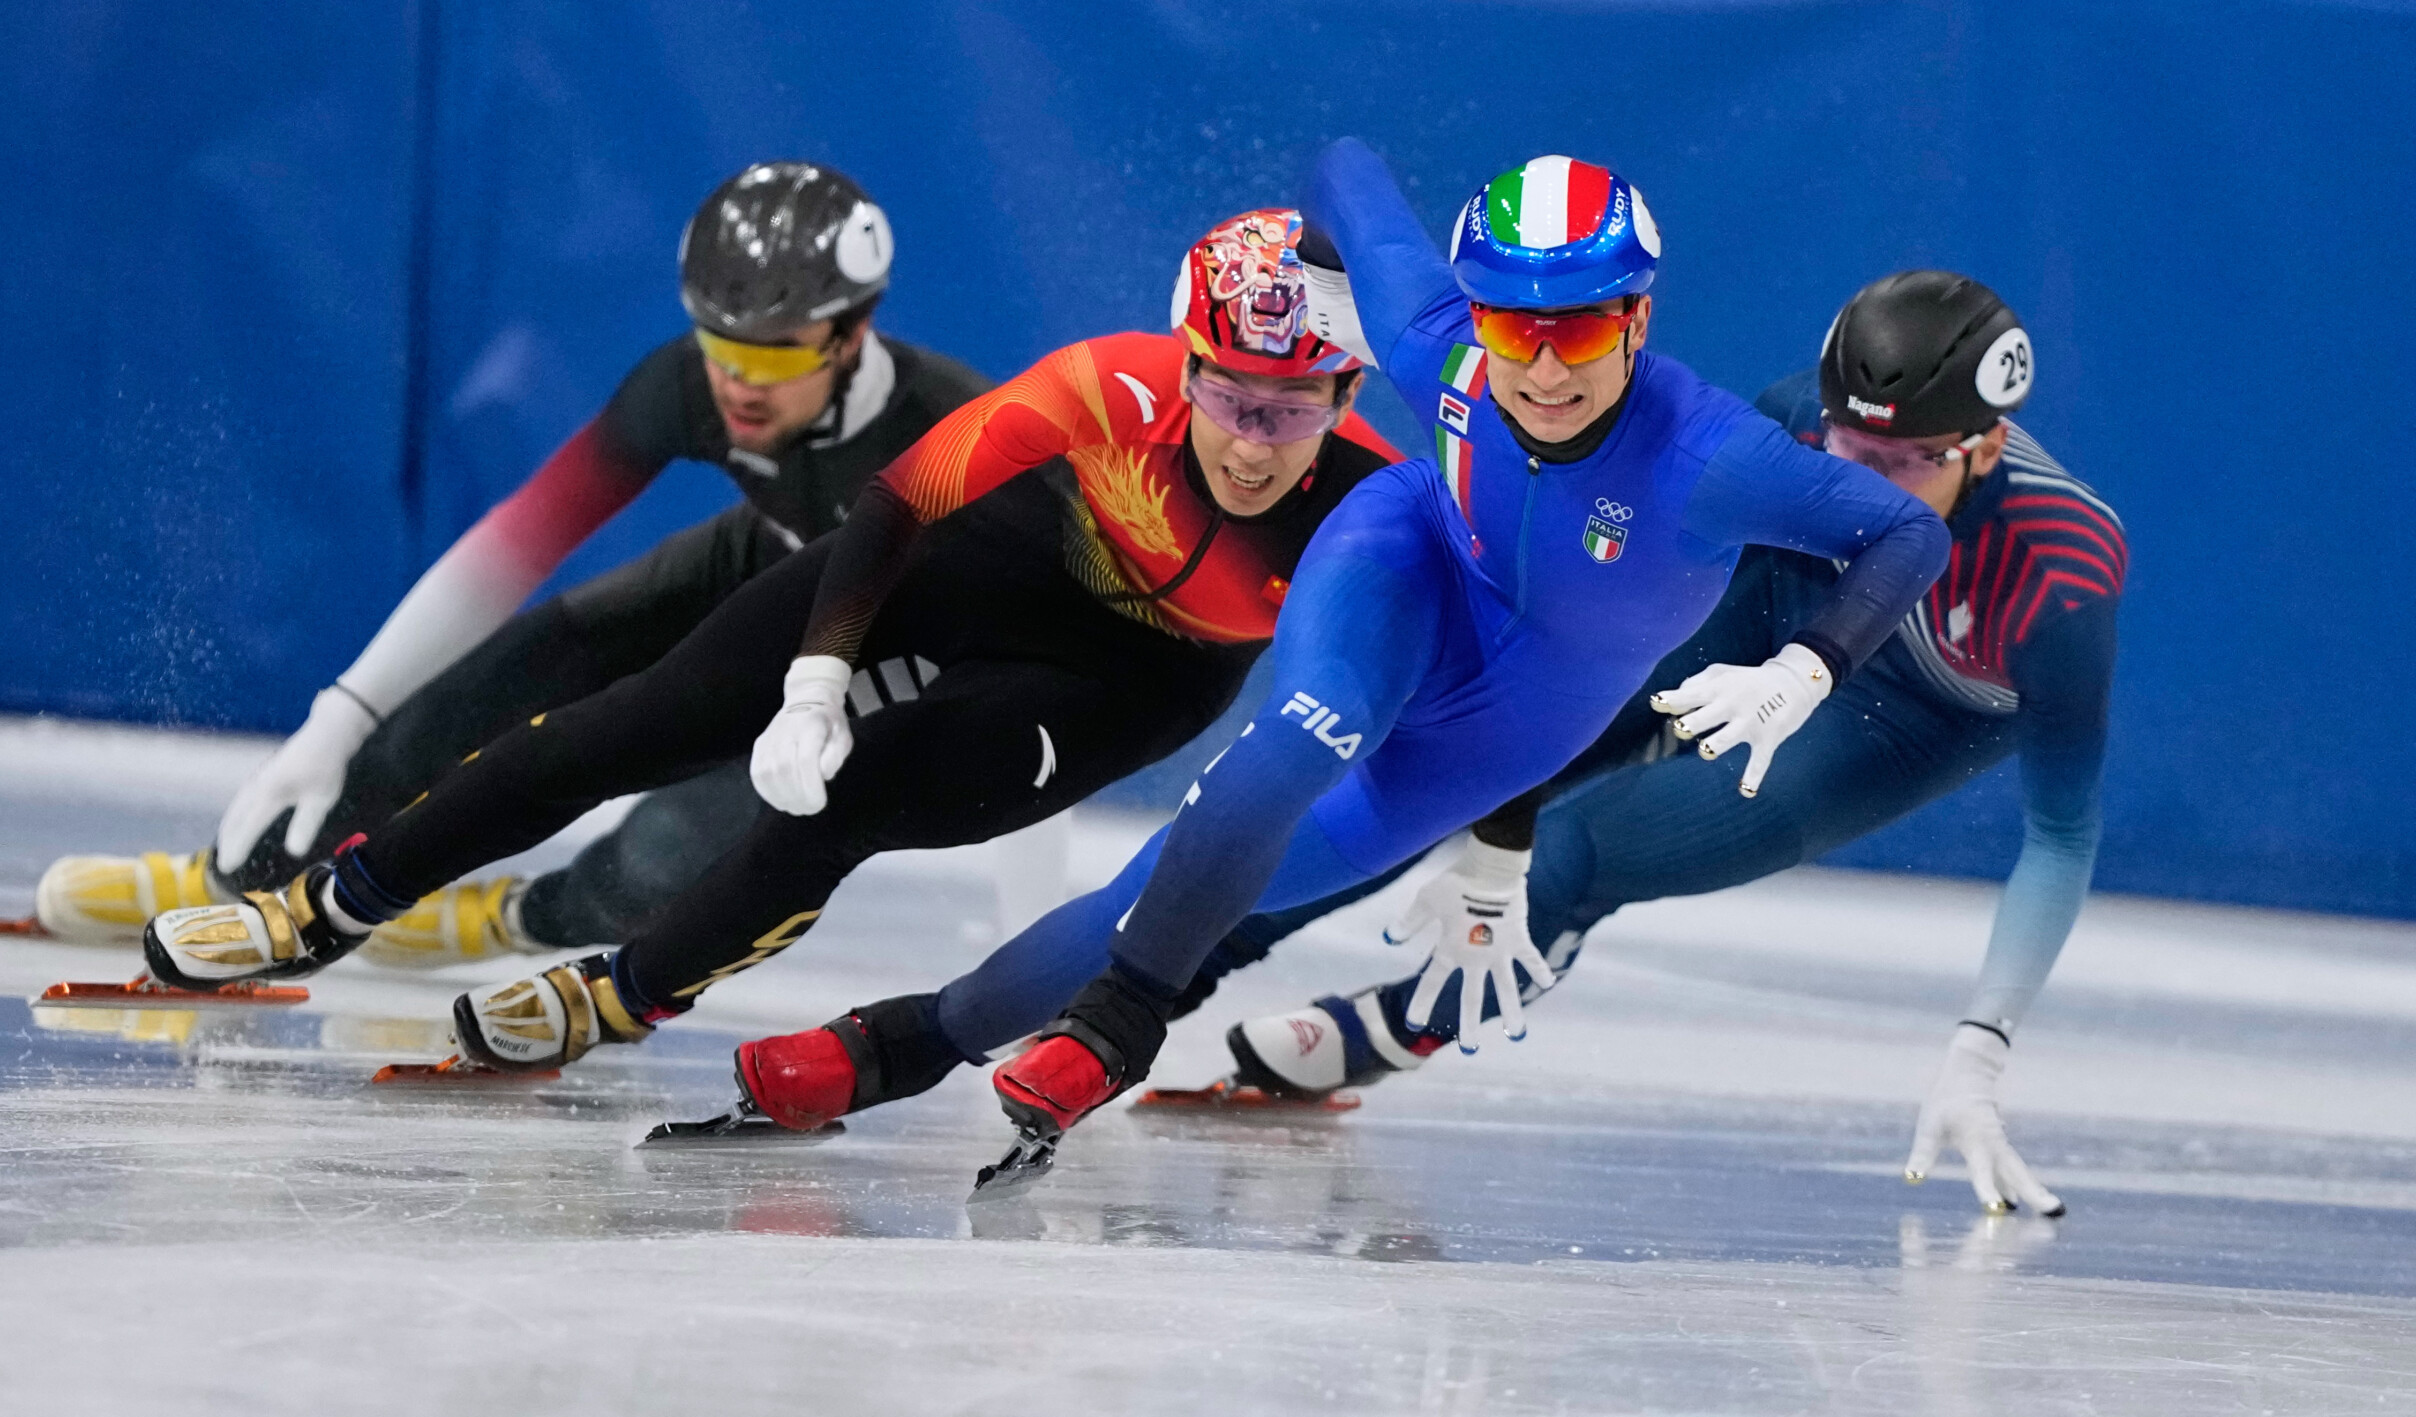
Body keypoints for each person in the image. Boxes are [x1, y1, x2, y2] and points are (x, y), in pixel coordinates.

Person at [722, 139, 1954, 1193]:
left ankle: (914, 1042)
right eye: (1513, 324)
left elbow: (1907, 529)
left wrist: (1806, 667)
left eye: (1577, 328)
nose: (1539, 367)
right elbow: (1346, 166)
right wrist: (1307, 265)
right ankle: (1084, 1029)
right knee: (1287, 751)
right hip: (1406, 561)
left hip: (1524, 715)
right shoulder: (1439, 347)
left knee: (1171, 892)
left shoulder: (1715, 459)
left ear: (1636, 318)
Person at [136, 210, 1402, 1076]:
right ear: (1183, 369)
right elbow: (901, 505)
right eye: (1229, 395)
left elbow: (1479, 693)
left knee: (844, 805)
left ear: (1346, 399)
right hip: (983, 566)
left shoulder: (1377, 505)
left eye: (1290, 409)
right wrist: (814, 681)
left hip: (1128, 678)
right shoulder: (1107, 383)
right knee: (627, 725)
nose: (1250, 440)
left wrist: (1482, 867)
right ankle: (328, 905)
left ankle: (618, 993)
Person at [1205, 271, 2120, 1219]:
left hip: (1901, 714)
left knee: (1579, 849)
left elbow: (2061, 835)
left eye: (1909, 465)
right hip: (1779, 606)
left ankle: (1398, 1028)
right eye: (1852, 449)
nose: (1865, 485)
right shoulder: (1793, 417)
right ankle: (1177, 958)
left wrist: (1981, 1048)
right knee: (1455, 757)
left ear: (1990, 446)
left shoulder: (2061, 580)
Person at [32, 162, 988, 966]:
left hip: (897, 648)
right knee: (509, 672)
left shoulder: (961, 440)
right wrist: (342, 713)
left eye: (774, 359)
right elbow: (511, 548)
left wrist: (1027, 952)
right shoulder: (683, 385)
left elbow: (1038, 666)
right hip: (773, 562)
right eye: (717, 344)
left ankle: (516, 920)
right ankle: (233, 879)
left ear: (853, 332)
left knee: (664, 858)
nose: (737, 383)